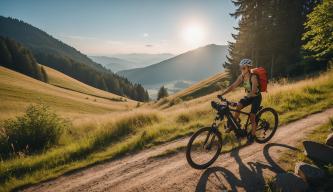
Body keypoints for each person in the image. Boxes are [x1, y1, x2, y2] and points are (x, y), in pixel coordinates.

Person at [220, 58, 262, 143]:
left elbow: (254, 90)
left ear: (249, 68)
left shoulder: (253, 77)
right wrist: (222, 94)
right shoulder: (242, 76)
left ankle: (253, 135)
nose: (242, 69)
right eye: (241, 68)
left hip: (256, 97)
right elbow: (233, 86)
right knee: (238, 106)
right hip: (249, 96)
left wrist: (246, 97)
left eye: (244, 68)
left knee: (252, 117)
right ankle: (233, 125)